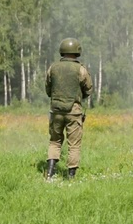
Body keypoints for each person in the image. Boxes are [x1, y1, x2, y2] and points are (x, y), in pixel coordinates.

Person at [45, 38, 93, 179]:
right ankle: (71, 177)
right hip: (74, 111)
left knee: (54, 141)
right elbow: (89, 89)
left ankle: (50, 173)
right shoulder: (81, 69)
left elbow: (48, 89)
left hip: (56, 111)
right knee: (74, 145)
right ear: (77, 51)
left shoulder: (52, 68)